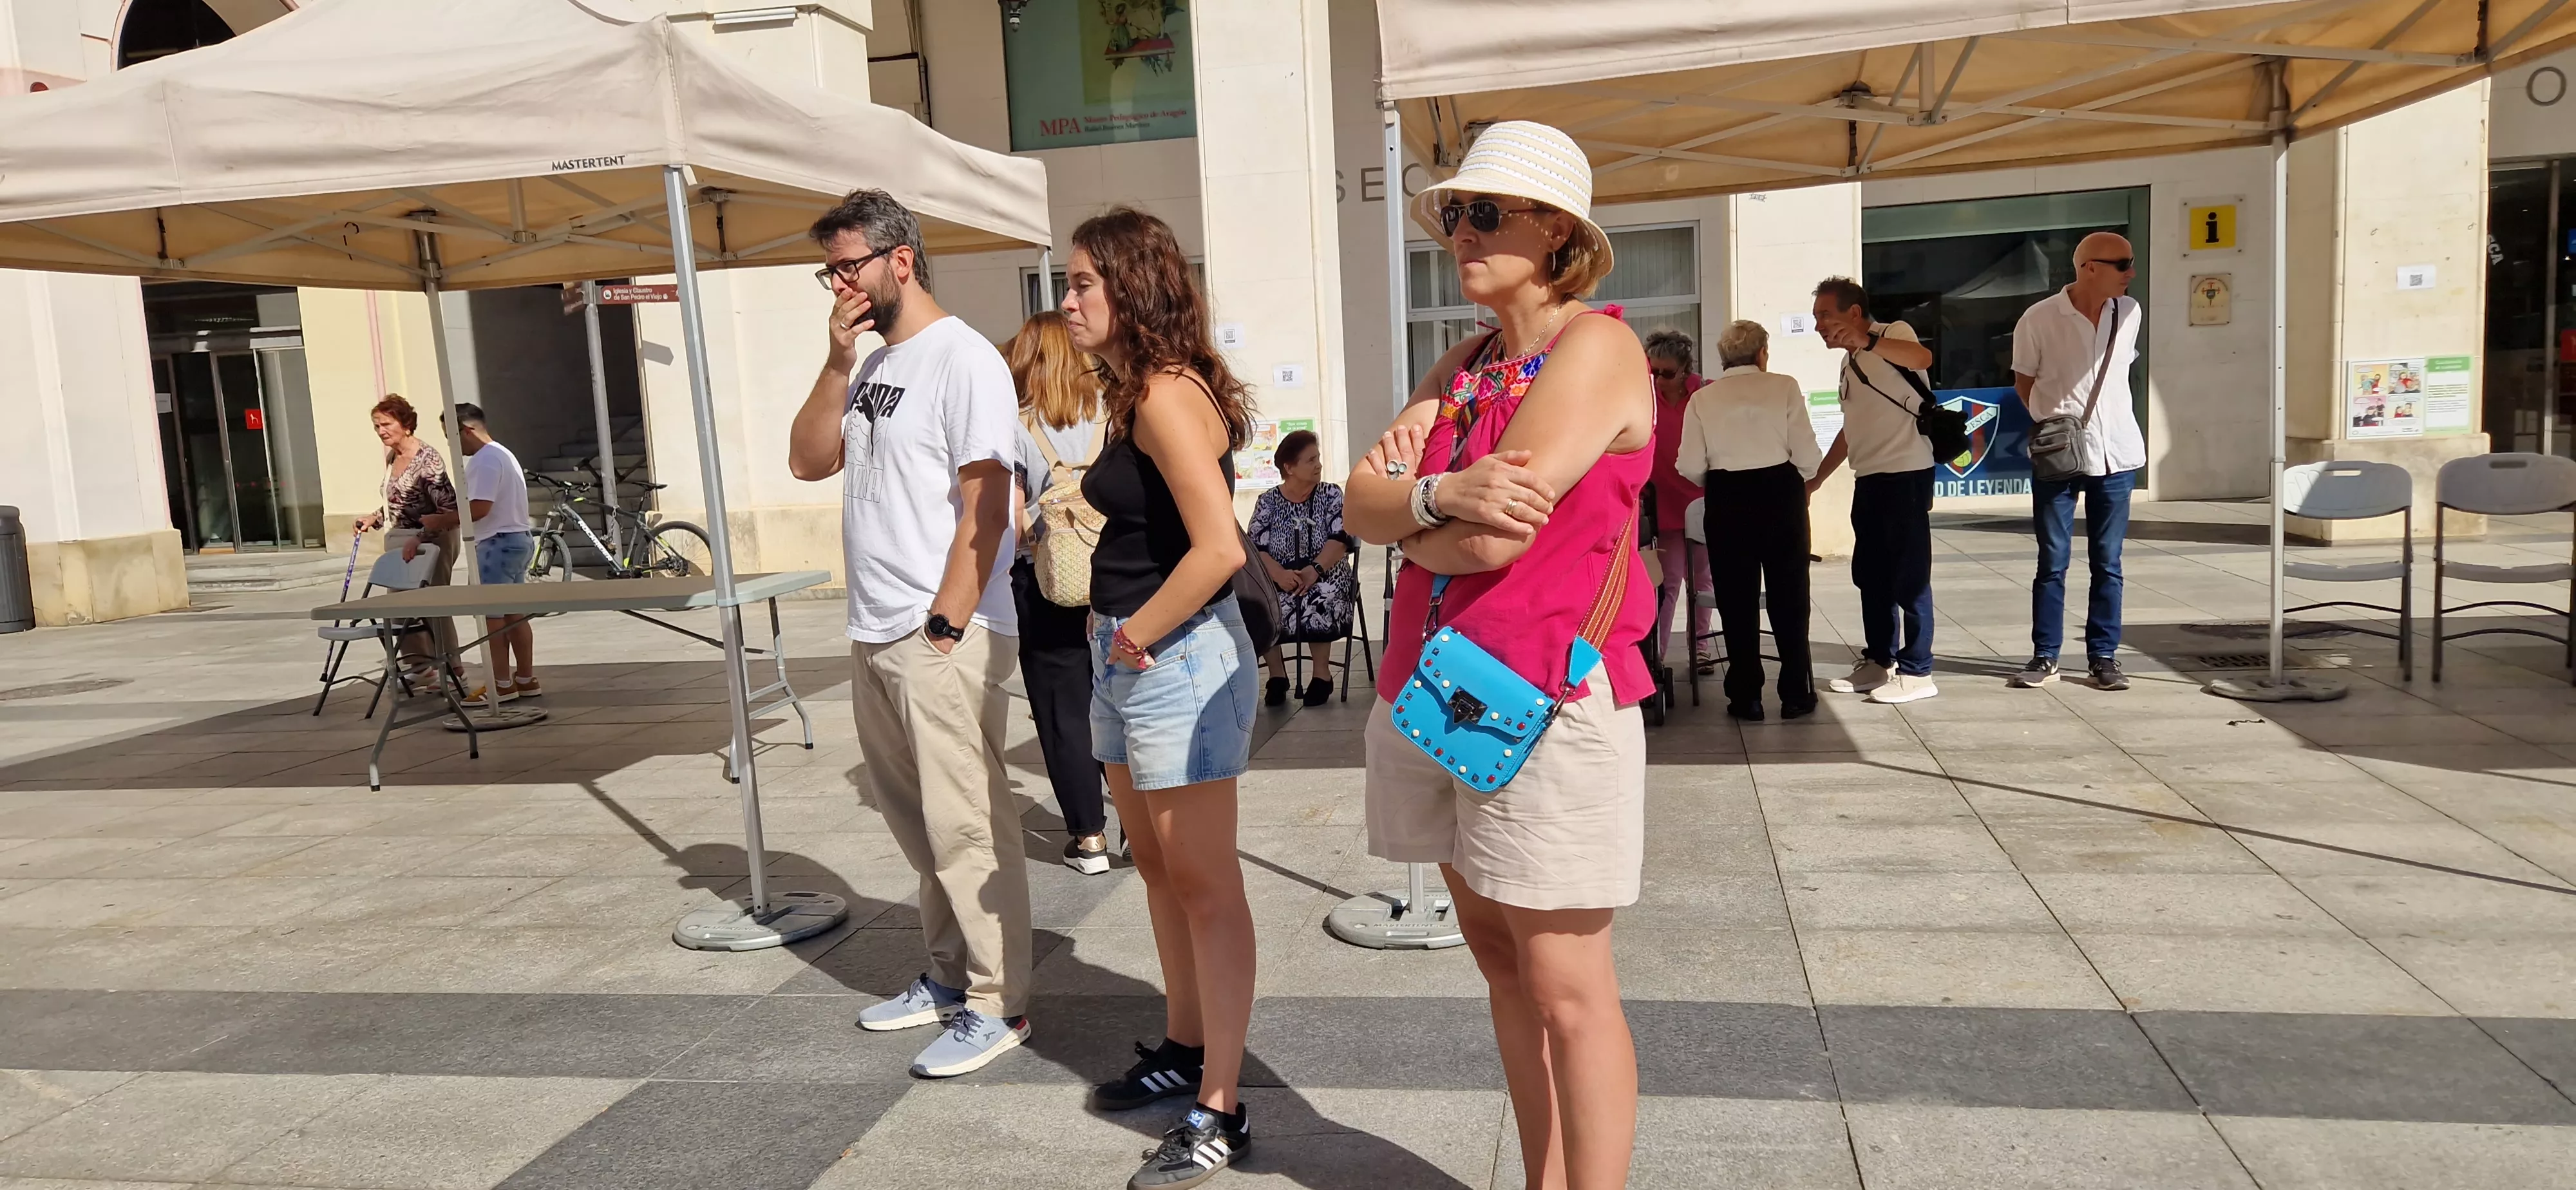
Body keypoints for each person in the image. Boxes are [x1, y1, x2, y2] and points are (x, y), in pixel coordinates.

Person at [1346, 120, 1651, 1190]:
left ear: (1557, 229)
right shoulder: (1467, 361)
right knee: (1499, 961)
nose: (1461, 233)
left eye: (1485, 213)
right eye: (1455, 215)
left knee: (1568, 987)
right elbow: (1358, 502)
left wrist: (1412, 515)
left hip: (1544, 697)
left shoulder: (1597, 348)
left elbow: (1493, 540)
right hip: (1439, 692)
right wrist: (1434, 497)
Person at [787, 189, 1031, 1079]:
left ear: (900, 259)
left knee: (968, 826)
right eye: (829, 271)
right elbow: (808, 460)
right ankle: (950, 975)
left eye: (847, 266)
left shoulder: (964, 358)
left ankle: (998, 1002)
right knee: (921, 827)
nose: (838, 284)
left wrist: (945, 623)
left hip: (938, 630)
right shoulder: (873, 364)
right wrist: (835, 360)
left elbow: (989, 503)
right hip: (876, 627)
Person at [1062, 207, 1263, 1190]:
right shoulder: (1138, 390)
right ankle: (1185, 1049)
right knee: (1157, 872)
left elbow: (1220, 548)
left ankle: (1222, 1107)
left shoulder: (1167, 396)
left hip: (1172, 657)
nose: (1066, 301)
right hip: (1131, 654)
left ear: (1132, 288)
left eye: (1081, 283)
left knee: (1206, 888)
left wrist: (1136, 634)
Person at [1004, 311, 1117, 874]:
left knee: (1062, 709)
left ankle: (1089, 838)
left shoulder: (1014, 425)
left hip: (1046, 583)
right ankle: (1141, 825)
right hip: (1118, 576)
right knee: (1123, 702)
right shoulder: (1113, 415)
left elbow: (1010, 522)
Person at [2009, 232, 2145, 692]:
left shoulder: (2130, 312)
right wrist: (2051, 424)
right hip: (2060, 456)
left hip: (2117, 453)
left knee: (2108, 562)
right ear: (2089, 267)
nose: (2131, 272)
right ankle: (2046, 655)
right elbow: (2023, 381)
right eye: (2122, 264)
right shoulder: (2039, 318)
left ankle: (2103, 657)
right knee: (2053, 560)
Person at [1677, 320, 1821, 721]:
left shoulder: (1702, 399)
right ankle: (1795, 693)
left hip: (1727, 498)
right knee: (1790, 597)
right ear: (1762, 354)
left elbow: (1689, 464)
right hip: (1781, 493)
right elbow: (1807, 456)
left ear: (1723, 358)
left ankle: (1746, 697)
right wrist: (1793, 478)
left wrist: (1720, 480)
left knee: (1735, 599)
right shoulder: (1784, 387)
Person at [1806, 276, 1941, 705]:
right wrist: (1817, 480)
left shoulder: (1892, 333)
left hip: (1906, 474)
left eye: (1824, 315)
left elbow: (1923, 357)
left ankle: (1918, 671)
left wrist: (1867, 340)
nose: (1818, 325)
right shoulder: (1848, 364)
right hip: (1869, 478)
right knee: (1871, 575)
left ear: (1853, 312)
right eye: (1815, 317)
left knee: (1910, 576)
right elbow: (1851, 430)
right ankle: (1880, 661)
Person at [424, 404, 538, 706]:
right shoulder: (504, 454)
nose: (452, 445)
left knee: (493, 619)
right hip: (517, 539)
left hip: (496, 544)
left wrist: (441, 520)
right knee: (515, 615)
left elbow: (480, 508)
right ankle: (525, 678)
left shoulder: (484, 460)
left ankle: (501, 683)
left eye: (451, 436)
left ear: (467, 430)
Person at [353, 393, 463, 689]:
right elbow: (400, 501)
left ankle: (453, 669)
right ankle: (421, 666)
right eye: (377, 426)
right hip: (403, 540)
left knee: (434, 606)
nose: (381, 431)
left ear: (406, 424)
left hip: (434, 541)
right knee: (400, 606)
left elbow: (448, 511)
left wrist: (420, 538)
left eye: (386, 424)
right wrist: (375, 517)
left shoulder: (427, 459)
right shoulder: (393, 457)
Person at [1247, 429, 1357, 707]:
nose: (1319, 465)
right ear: (1289, 468)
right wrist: (1278, 575)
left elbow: (1340, 539)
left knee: (1319, 595)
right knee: (1261, 602)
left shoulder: (1331, 494)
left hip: (1325, 572)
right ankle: (1277, 676)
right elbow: (1255, 548)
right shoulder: (1268, 502)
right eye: (1311, 460)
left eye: (1318, 458)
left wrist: (1314, 570)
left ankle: (1322, 676)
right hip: (1280, 575)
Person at [1643, 329, 1714, 676]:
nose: (1658, 379)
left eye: (1667, 373)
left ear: (1686, 369)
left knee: (1702, 582)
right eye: (1653, 371)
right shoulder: (1645, 398)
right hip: (1663, 502)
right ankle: (1657, 655)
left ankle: (1700, 648)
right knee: (1667, 583)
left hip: (1700, 500)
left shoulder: (1706, 394)